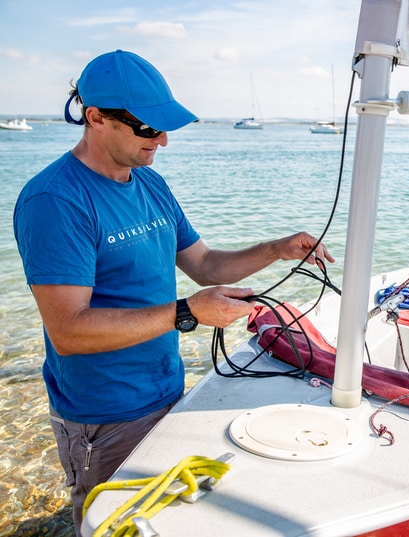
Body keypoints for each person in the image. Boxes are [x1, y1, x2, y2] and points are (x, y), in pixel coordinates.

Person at [13, 50, 335, 531]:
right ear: (96, 117)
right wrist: (187, 312)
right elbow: (69, 332)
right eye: (149, 129)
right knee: (109, 524)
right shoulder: (55, 201)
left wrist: (277, 247)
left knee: (166, 520)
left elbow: (204, 264)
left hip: (168, 391)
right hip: (104, 412)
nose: (162, 140)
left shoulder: (150, 183)